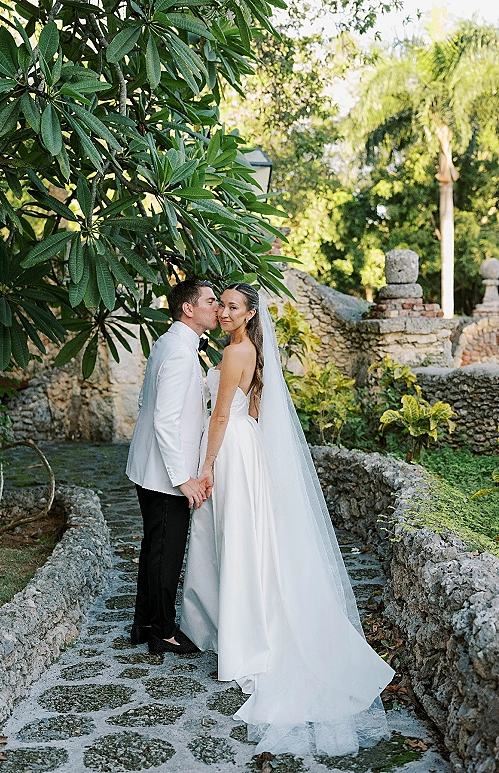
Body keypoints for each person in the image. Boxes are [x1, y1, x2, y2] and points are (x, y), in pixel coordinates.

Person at [181, 283, 395, 758]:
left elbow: (220, 417)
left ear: (249, 312)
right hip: (244, 445)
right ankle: (231, 624)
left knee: (237, 541)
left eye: (233, 308)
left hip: (230, 449)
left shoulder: (239, 351)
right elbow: (252, 406)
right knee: (237, 539)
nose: (224, 313)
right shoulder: (241, 349)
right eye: (223, 306)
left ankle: (244, 636)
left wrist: (207, 466)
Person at [126, 278, 219, 654]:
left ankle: (144, 623)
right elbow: (165, 420)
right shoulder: (180, 353)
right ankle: (162, 633)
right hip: (166, 476)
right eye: (211, 301)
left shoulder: (170, 342)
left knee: (153, 549)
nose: (217, 307)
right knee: (166, 553)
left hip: (148, 467)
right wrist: (184, 480)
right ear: (189, 308)